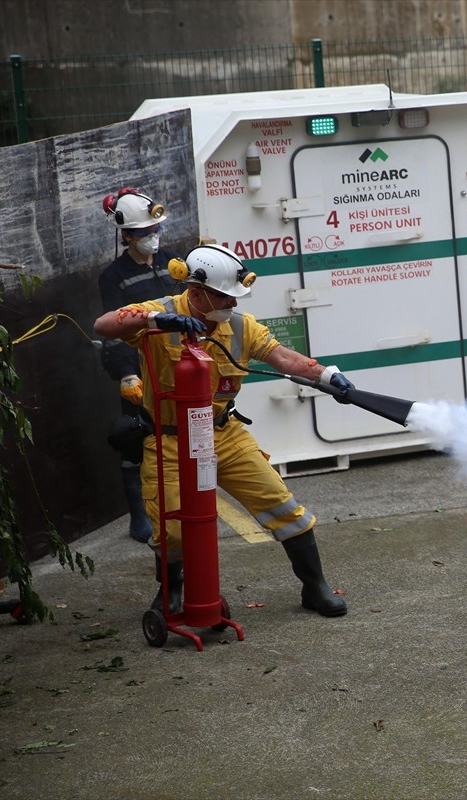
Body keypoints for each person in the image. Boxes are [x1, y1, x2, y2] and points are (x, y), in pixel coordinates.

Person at [93, 243, 354, 617]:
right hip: (169, 439)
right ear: (195, 290)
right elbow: (104, 325)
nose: (231, 303)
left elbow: (284, 358)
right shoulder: (160, 312)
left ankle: (315, 587)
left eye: (234, 296)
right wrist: (156, 322)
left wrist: (327, 376)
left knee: (283, 506)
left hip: (223, 434)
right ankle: (171, 592)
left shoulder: (240, 326)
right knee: (172, 529)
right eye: (222, 296)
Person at [97, 187, 185, 543]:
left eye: (156, 229)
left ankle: (179, 507)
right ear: (127, 236)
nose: (153, 236)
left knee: (179, 435)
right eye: (145, 232)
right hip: (140, 367)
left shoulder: (173, 262)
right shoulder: (113, 276)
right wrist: (126, 374)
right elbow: (115, 329)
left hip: (175, 364)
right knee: (137, 438)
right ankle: (139, 516)